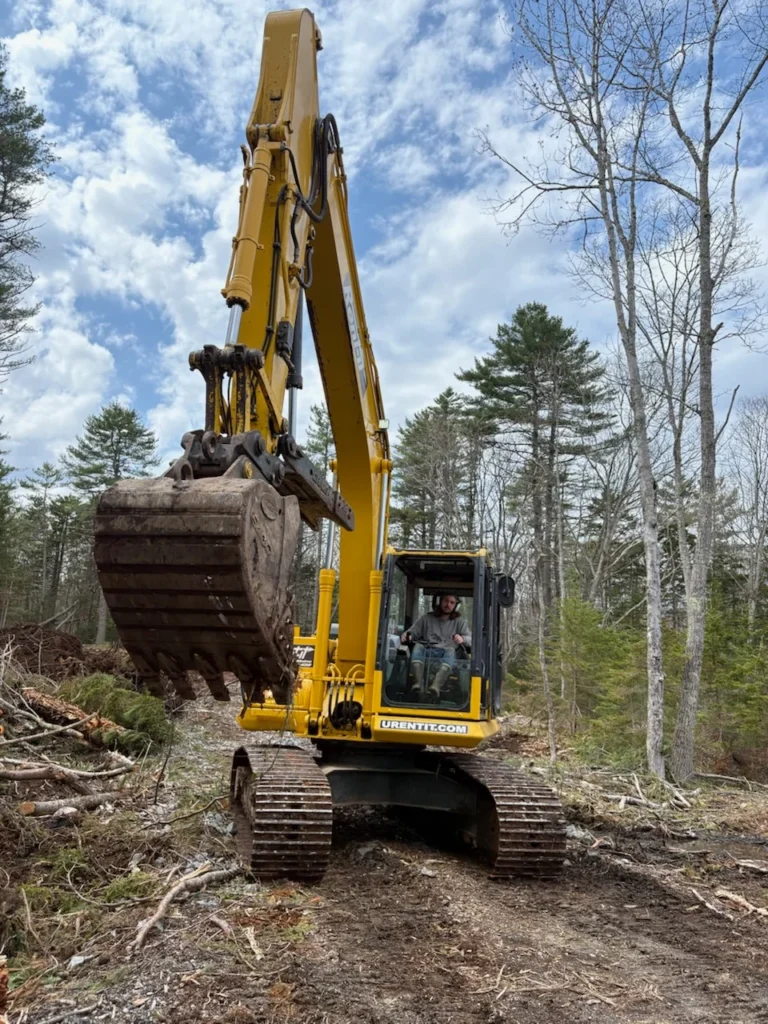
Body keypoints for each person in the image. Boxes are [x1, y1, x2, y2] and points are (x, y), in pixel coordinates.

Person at [401, 594, 470, 699]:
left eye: (452, 603)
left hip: (446, 654)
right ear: (440, 601)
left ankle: (435, 687)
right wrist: (406, 635)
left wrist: (463, 639)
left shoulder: (460, 622)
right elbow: (412, 632)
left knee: (451, 650)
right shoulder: (426, 618)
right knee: (418, 646)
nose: (448, 605)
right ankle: (418, 685)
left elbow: (470, 639)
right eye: (446, 601)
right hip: (427, 652)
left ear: (455, 605)